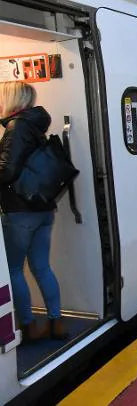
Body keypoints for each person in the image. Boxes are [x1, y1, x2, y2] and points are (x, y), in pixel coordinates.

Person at [0, 82, 68, 341]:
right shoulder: (36, 125)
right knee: (41, 267)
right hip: (43, 208)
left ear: (11, 99)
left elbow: (7, 170)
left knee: (15, 269)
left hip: (19, 211)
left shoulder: (16, 127)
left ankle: (28, 327)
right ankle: (56, 323)